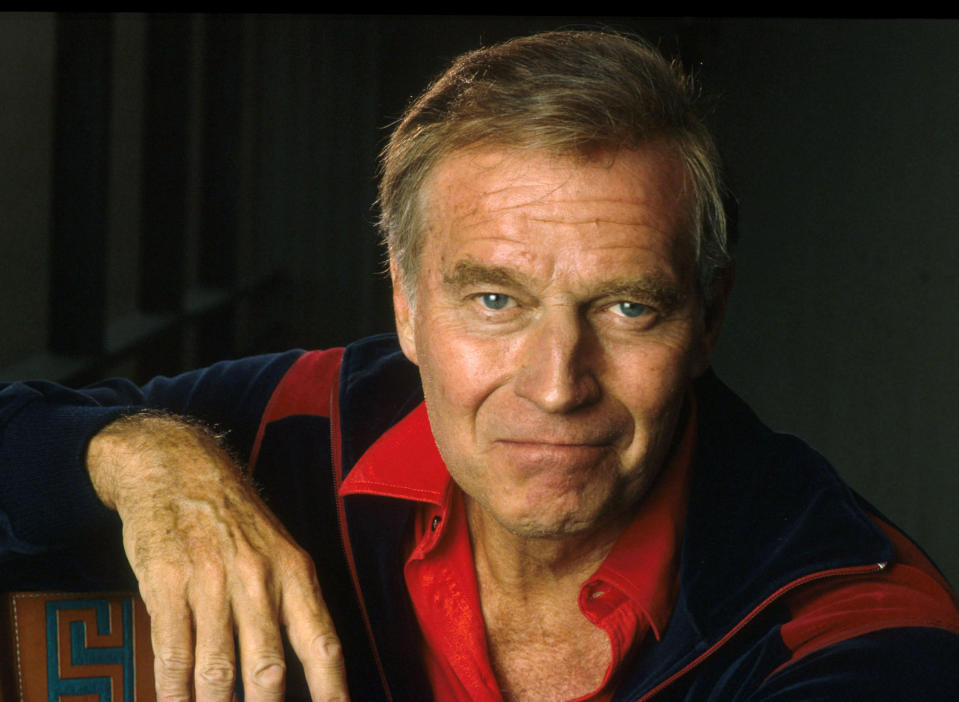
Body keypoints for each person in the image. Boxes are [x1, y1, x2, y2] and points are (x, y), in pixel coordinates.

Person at [2, 29, 958, 702]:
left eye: (627, 307)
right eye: (494, 301)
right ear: (407, 307)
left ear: (707, 319)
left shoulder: (849, 615)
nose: (555, 384)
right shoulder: (303, 418)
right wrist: (141, 459)